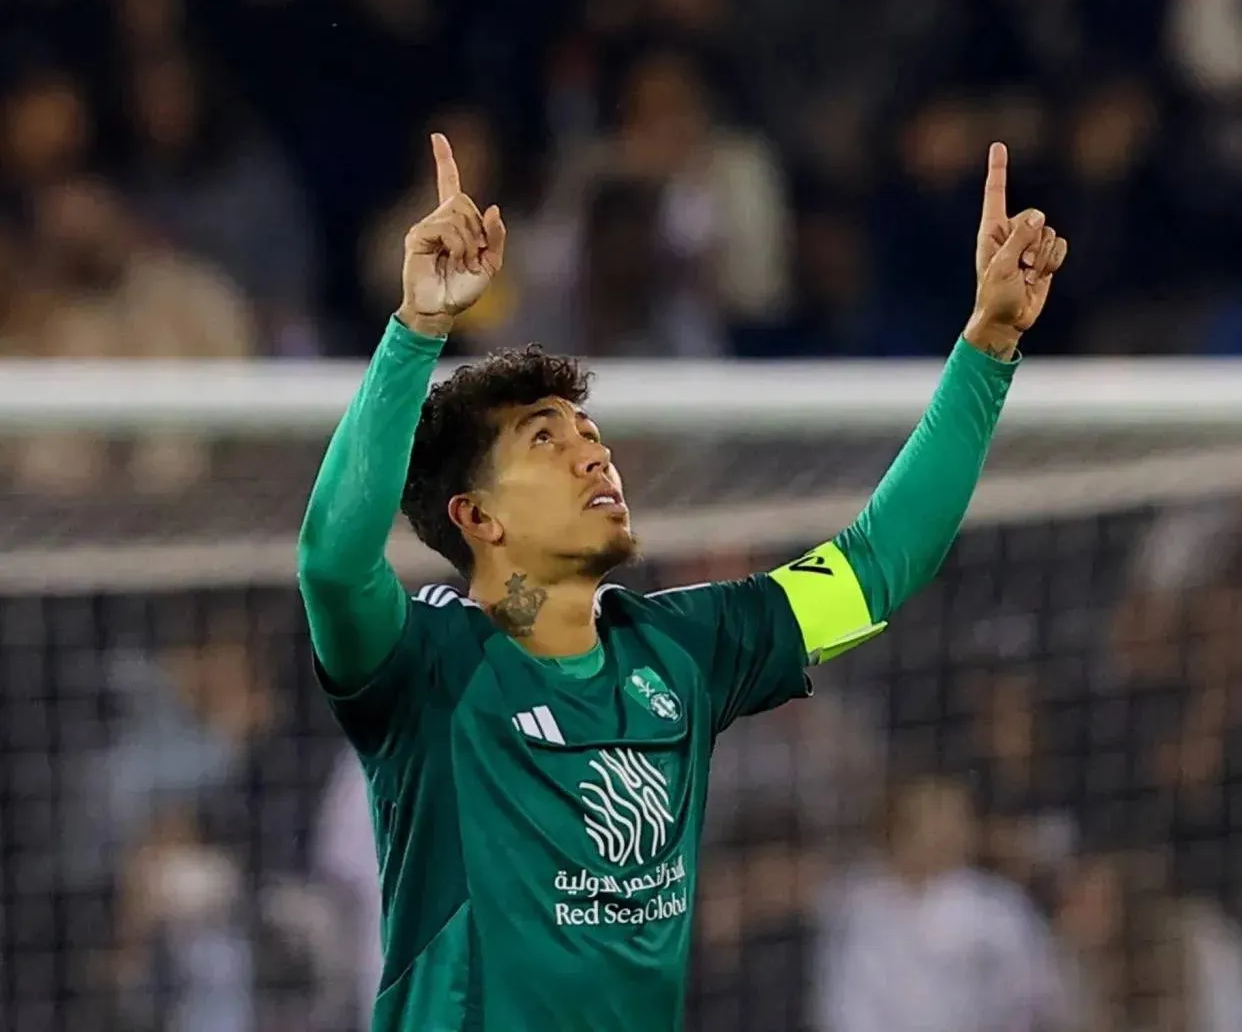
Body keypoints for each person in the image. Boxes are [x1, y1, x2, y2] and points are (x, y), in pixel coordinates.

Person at [296, 132, 1067, 1032]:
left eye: (591, 435)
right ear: (478, 516)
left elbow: (874, 569)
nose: (594, 454)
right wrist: (416, 330)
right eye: (547, 440)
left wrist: (988, 346)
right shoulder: (430, 666)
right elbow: (333, 562)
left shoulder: (681, 650)